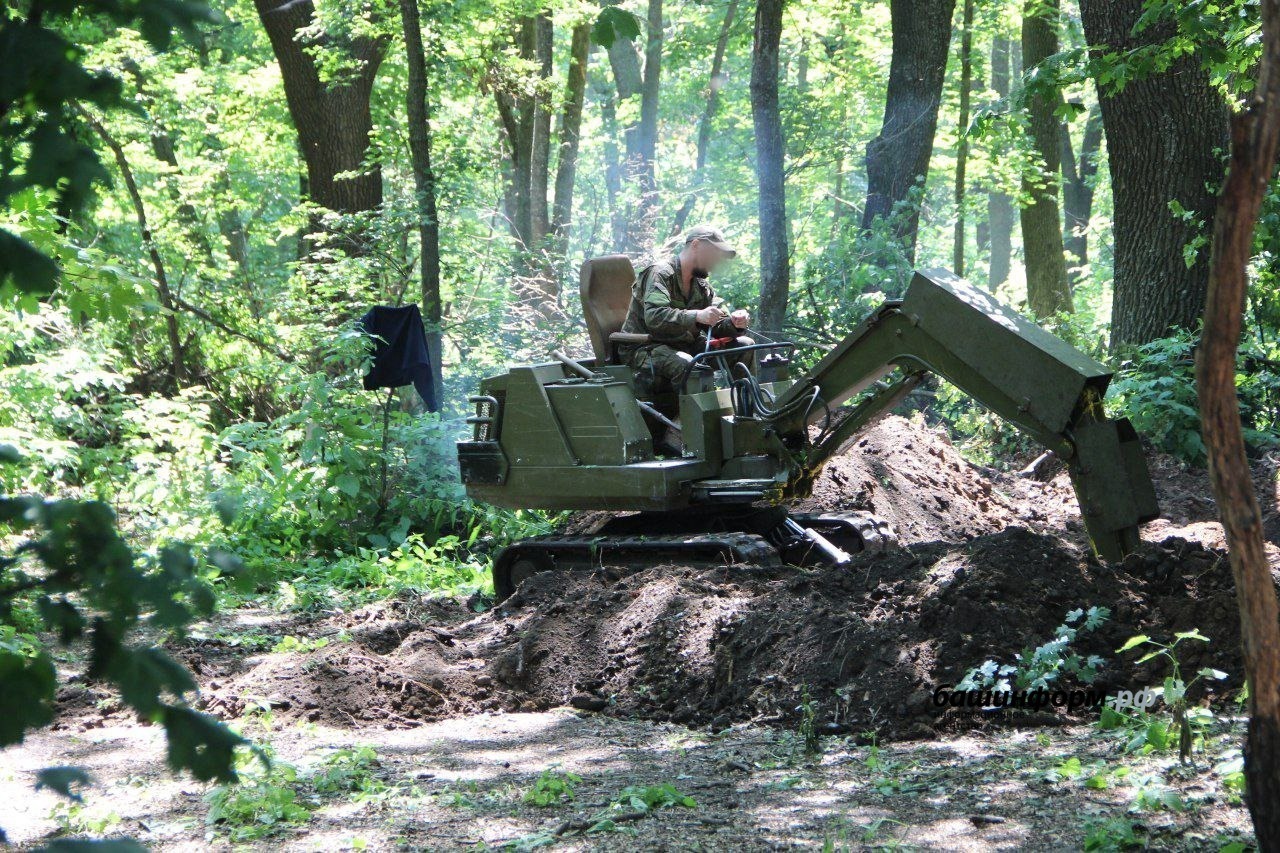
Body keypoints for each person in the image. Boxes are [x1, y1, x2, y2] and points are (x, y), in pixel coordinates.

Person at [619, 224, 752, 390]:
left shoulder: (701, 286)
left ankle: (742, 408)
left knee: (745, 346)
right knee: (689, 365)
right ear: (695, 245)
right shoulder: (660, 274)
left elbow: (715, 324)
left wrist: (735, 323)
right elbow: (654, 317)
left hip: (685, 345)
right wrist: (696, 315)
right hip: (646, 348)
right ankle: (688, 416)